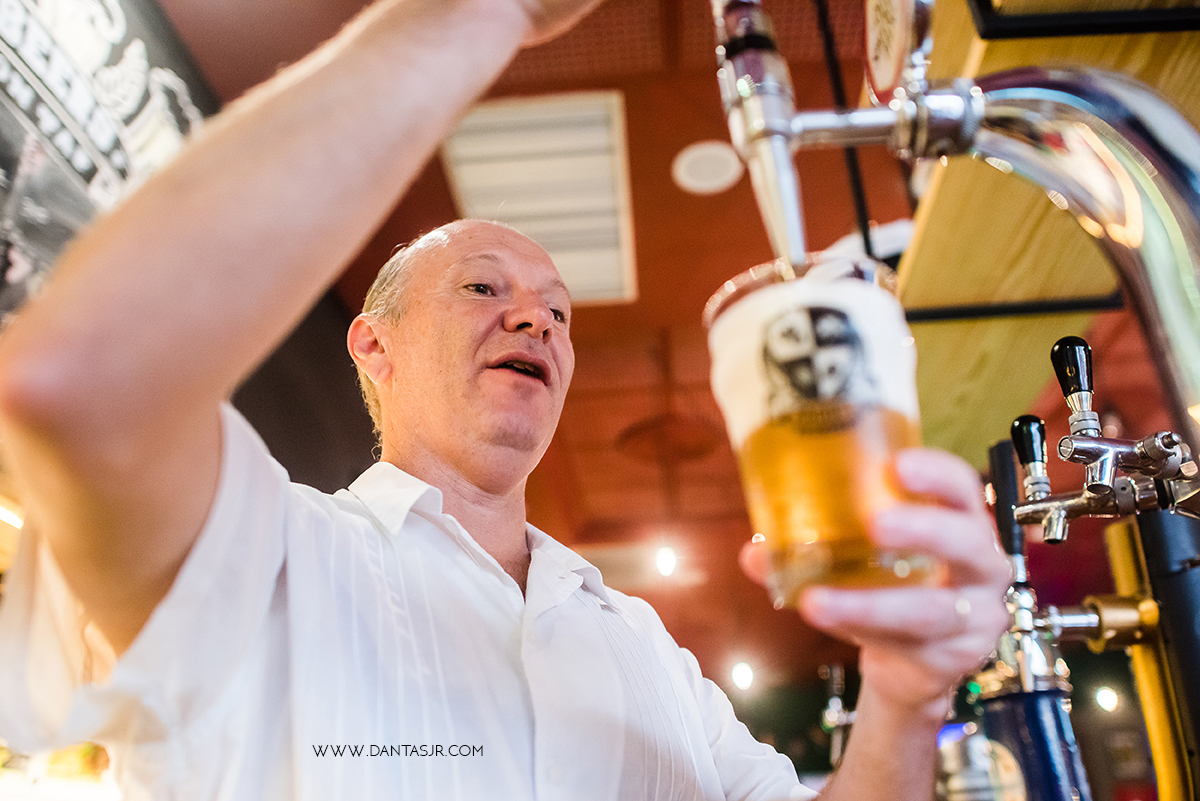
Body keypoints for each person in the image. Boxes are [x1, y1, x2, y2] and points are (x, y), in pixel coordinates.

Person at [0, 0, 1012, 798]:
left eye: (560, 315)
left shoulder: (641, 642)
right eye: (485, 288)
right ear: (374, 344)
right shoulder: (276, 554)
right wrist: (486, 11)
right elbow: (81, 387)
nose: (536, 323)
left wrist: (904, 696)